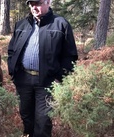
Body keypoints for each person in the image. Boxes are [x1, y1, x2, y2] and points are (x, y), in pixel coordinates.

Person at [7, 0, 78, 136]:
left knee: (43, 120)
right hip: (23, 80)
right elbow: (12, 51)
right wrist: (13, 72)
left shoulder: (61, 24)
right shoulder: (21, 24)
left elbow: (70, 56)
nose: (34, 7)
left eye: (38, 3)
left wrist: (59, 79)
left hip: (47, 81)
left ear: (48, 2)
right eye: (31, 4)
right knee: (26, 117)